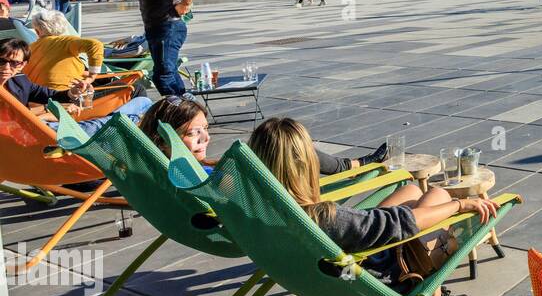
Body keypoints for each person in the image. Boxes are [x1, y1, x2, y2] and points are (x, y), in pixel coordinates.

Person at [249, 117, 489, 296]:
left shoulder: (258, 209)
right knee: (438, 196)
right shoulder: (324, 217)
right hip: (371, 277)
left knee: (411, 190)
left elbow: (370, 224)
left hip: (327, 271)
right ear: (306, 165)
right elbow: (403, 224)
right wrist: (460, 205)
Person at [139, 95, 389, 173]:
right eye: (194, 133)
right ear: (163, 138)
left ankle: (349, 164)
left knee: (284, 140)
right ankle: (351, 166)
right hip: (263, 217)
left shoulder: (171, 169)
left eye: (206, 129)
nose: (206, 138)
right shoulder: (194, 175)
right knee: (286, 140)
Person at [1, 38, 152, 138]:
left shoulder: (18, 80)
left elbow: (48, 94)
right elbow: (8, 124)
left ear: (23, 65)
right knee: (136, 112)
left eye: (15, 63)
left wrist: (72, 93)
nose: (7, 67)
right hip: (34, 135)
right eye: (2, 61)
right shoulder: (66, 42)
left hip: (50, 127)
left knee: (140, 101)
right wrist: (47, 112)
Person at [113, 0, 198, 97]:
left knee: (162, 75)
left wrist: (185, 4)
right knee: (167, 71)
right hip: (157, 30)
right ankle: (184, 107)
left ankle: (179, 110)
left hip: (168, 28)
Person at [25, 9, 105, 89]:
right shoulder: (65, 41)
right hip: (63, 92)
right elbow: (95, 44)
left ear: (37, 31)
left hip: (36, 92)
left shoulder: (30, 47)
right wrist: (92, 76)